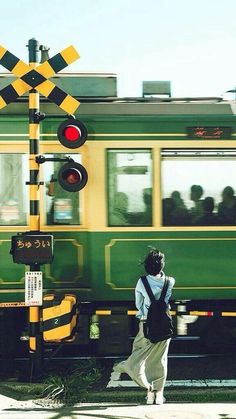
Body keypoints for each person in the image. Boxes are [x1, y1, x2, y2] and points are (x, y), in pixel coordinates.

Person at [114, 249, 175, 405]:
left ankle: (148, 391)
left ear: (146, 267)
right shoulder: (170, 281)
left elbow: (139, 304)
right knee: (160, 360)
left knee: (138, 356)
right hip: (164, 325)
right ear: (162, 266)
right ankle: (159, 395)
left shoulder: (142, 282)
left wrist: (143, 311)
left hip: (146, 324)